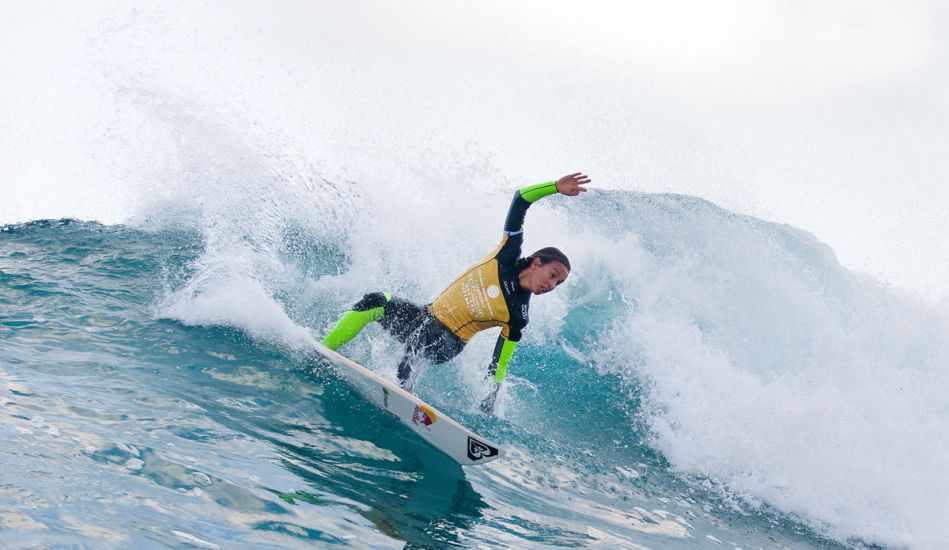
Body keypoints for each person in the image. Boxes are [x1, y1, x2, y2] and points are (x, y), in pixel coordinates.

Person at [321, 172, 590, 413]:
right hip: (426, 315)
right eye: (553, 275)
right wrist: (554, 187)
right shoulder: (506, 255)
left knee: (423, 334)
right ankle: (323, 350)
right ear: (537, 262)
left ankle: (402, 392)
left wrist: (488, 404)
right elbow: (520, 199)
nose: (552, 285)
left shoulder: (518, 315)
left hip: (449, 343)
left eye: (558, 284)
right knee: (376, 301)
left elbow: (498, 366)